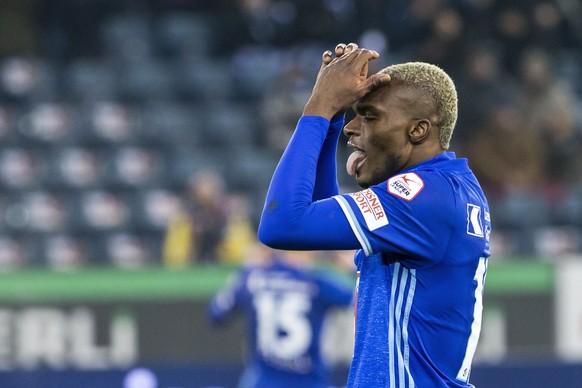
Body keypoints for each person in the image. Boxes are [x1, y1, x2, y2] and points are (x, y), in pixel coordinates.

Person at [258, 42, 492, 387]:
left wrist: (318, 108)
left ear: (418, 130)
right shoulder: (447, 188)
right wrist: (332, 119)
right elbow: (319, 224)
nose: (354, 129)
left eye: (369, 117)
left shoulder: (424, 197)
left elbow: (283, 225)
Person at [207, 244, 354, 388]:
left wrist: (244, 270)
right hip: (309, 381)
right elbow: (362, 301)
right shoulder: (317, 282)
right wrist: (354, 270)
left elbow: (216, 314)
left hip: (262, 381)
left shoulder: (253, 277)